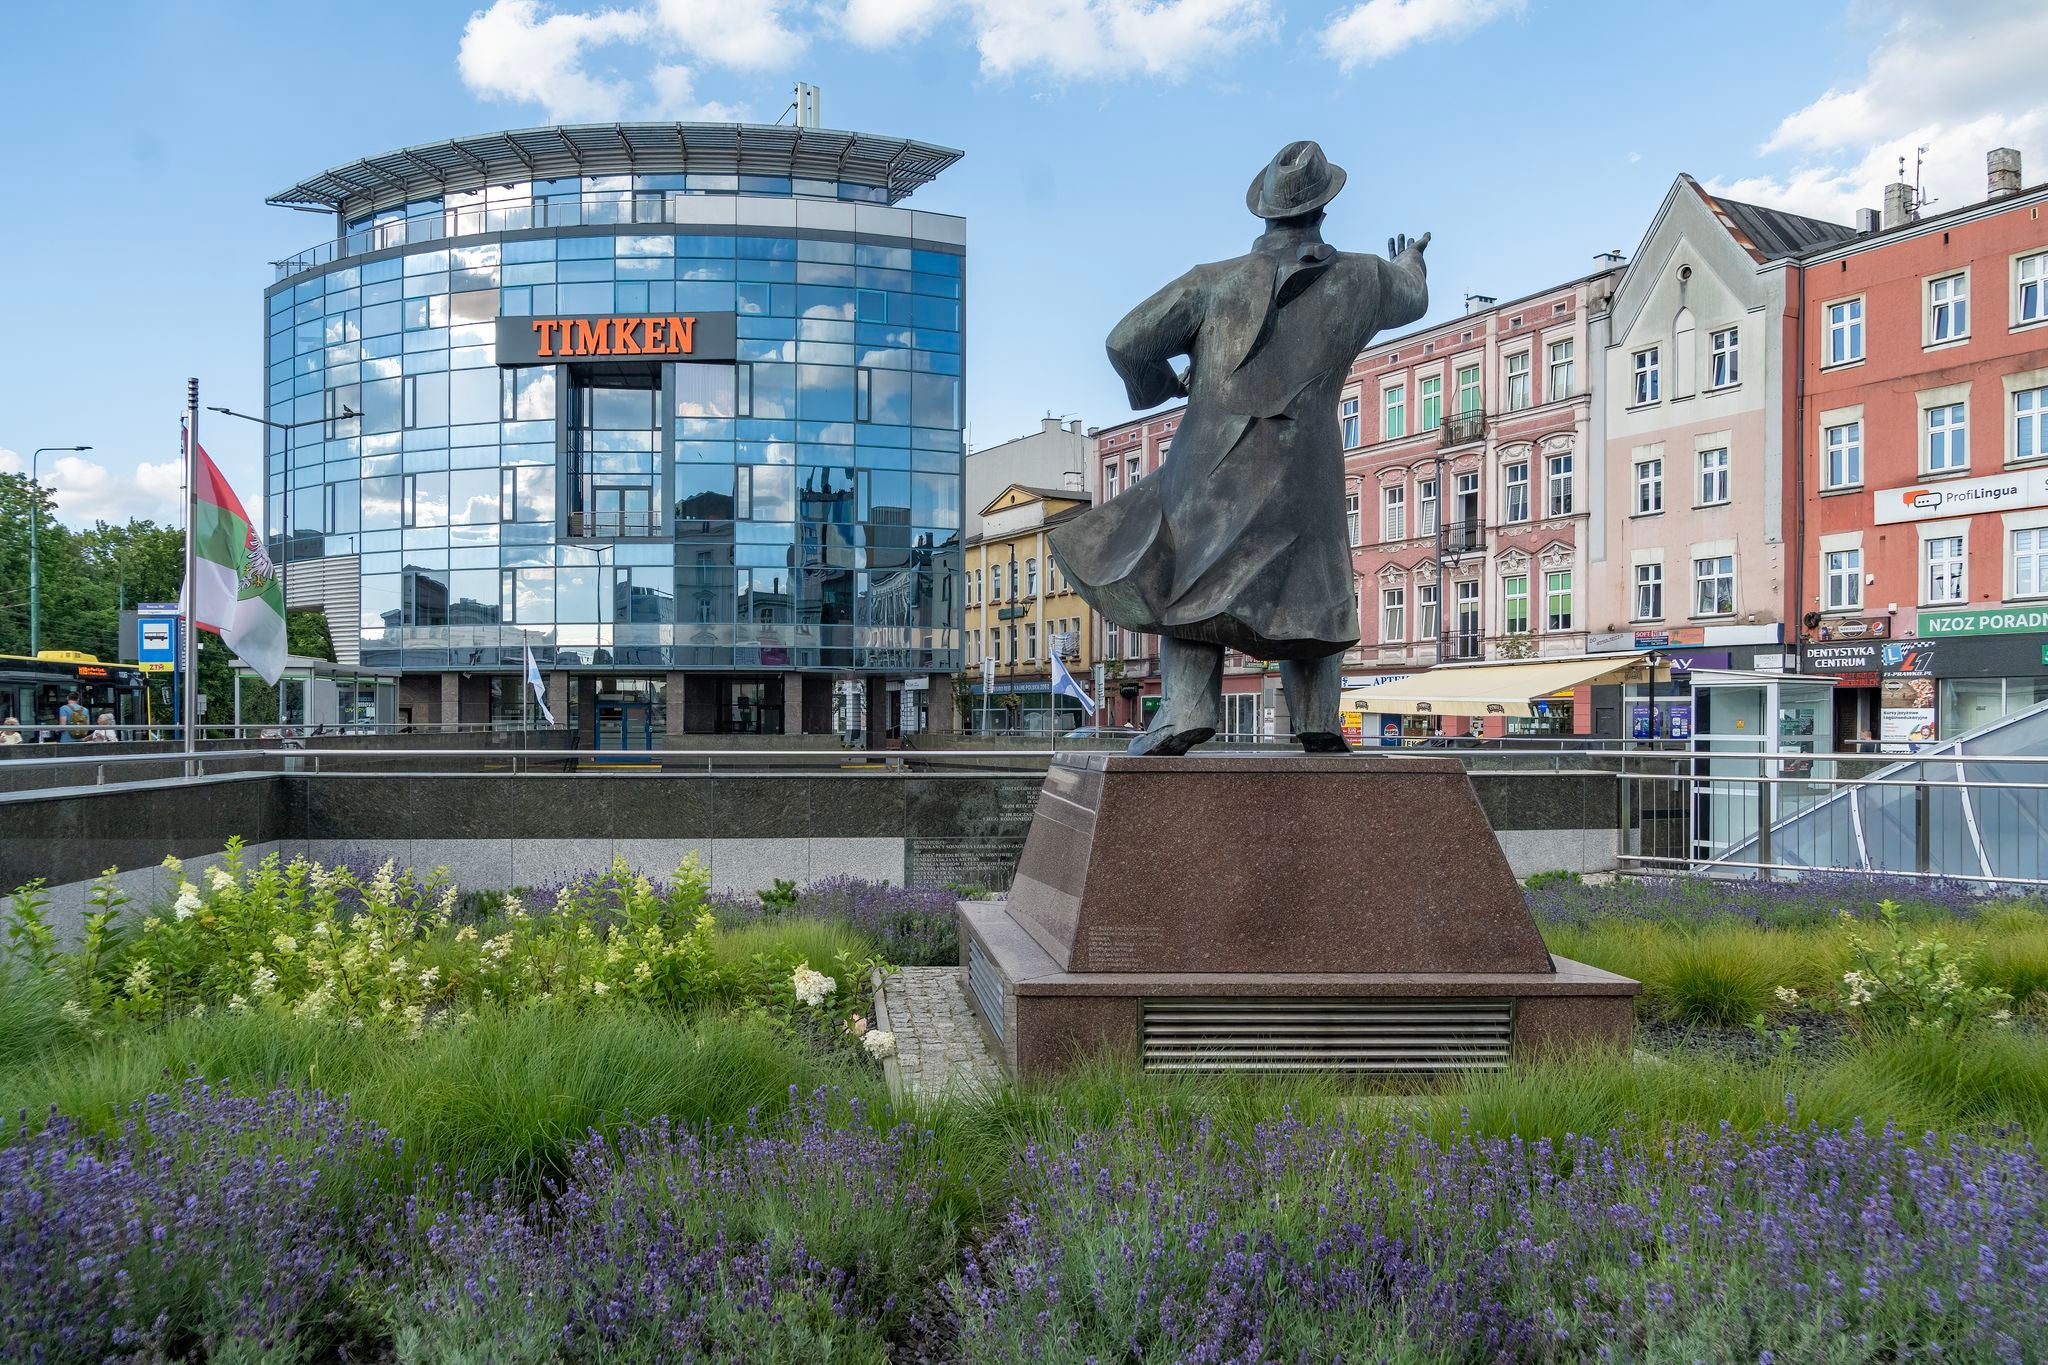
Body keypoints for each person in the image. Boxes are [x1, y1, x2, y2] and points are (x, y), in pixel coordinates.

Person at [1050, 140, 1429, 755]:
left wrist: (1160, 388)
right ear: (1322, 209)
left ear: (1266, 212)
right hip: (1307, 469)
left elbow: (1125, 342)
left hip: (1210, 465)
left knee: (1188, 583)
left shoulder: (1211, 282)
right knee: (1312, 586)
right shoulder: (1365, 277)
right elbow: (1414, 294)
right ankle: (1319, 720)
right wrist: (1411, 259)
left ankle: (1185, 711)